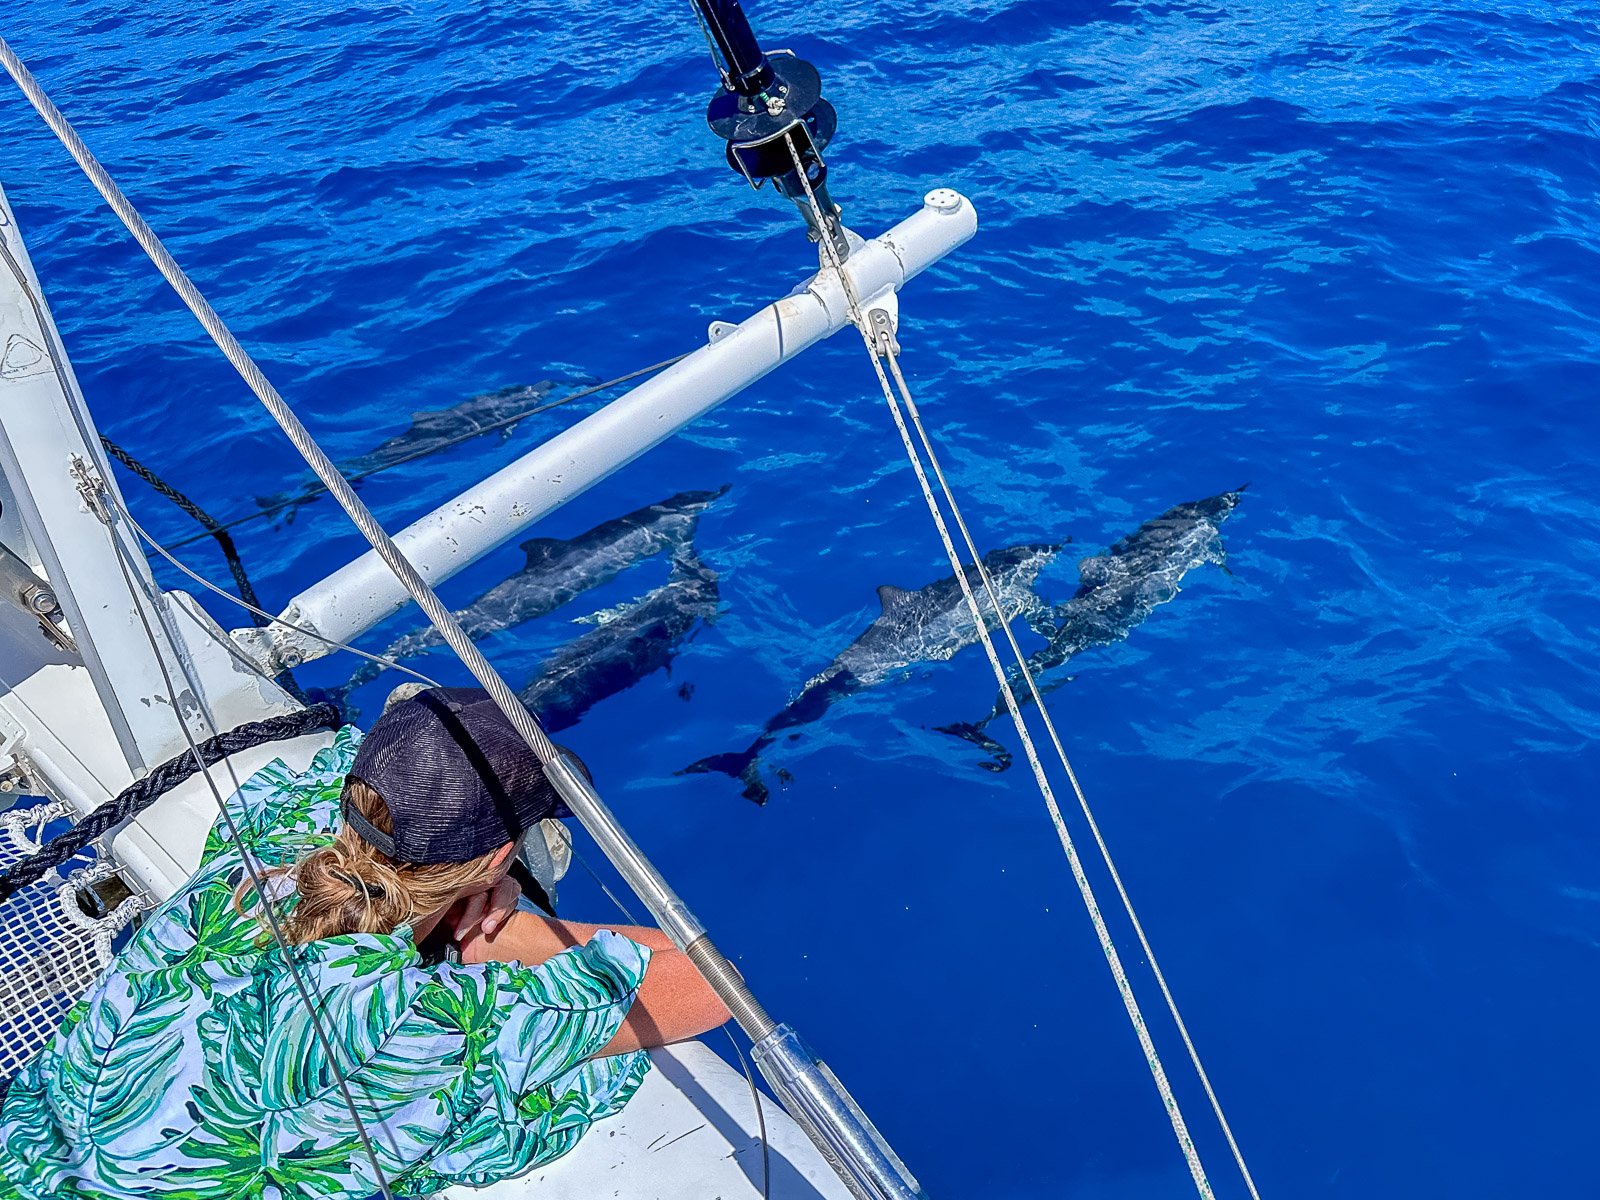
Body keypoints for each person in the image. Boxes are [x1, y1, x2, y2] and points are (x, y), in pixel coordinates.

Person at [0, 687, 729, 1199]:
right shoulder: (417, 1026)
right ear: (502, 853)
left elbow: (347, 769)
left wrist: (463, 884)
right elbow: (711, 981)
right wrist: (480, 934)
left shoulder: (248, 860)